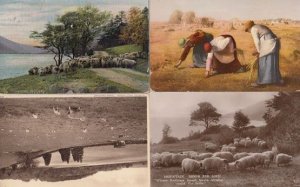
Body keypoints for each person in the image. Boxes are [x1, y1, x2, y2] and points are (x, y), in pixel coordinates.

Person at [244, 20, 283, 87]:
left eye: (247, 31)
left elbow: (257, 42)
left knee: (263, 61)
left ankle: (262, 82)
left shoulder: (253, 29)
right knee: (272, 61)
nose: (249, 32)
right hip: (273, 42)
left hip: (267, 43)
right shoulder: (259, 26)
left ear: (249, 28)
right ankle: (275, 80)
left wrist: (259, 52)